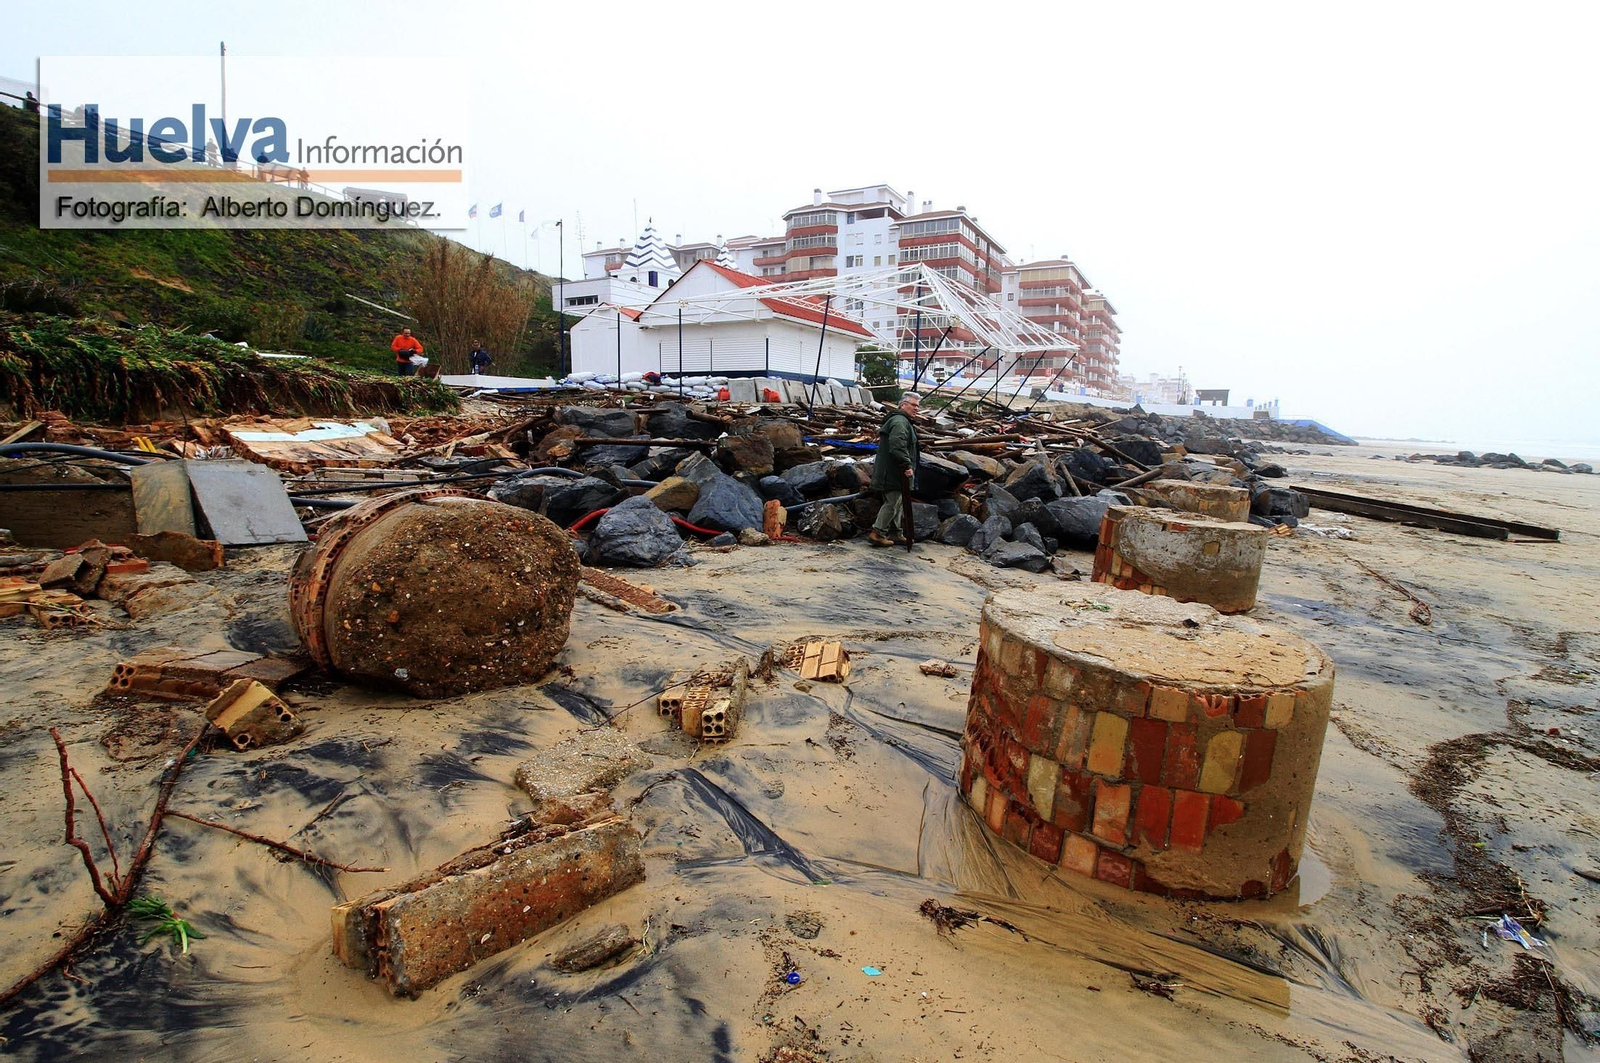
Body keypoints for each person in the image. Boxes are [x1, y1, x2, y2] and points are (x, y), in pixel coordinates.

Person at [868, 391, 921, 547]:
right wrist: (907, 465)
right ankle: (877, 533)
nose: (917, 409)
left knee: (897, 502)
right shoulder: (899, 422)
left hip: (893, 470)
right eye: (913, 405)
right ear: (903, 405)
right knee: (892, 502)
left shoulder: (902, 421)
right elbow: (897, 446)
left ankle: (896, 533)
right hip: (892, 471)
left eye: (918, 406)